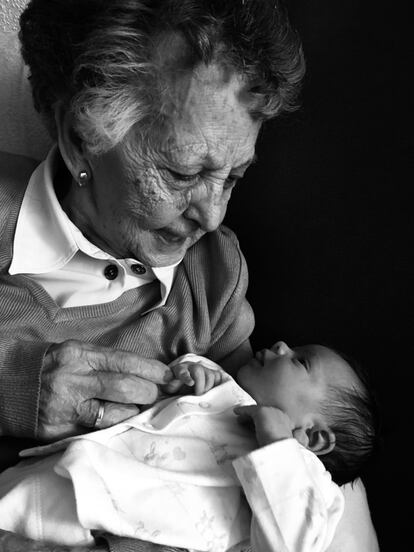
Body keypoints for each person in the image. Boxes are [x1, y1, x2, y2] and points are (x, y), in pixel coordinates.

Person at [0, 1, 379, 551]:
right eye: (183, 172)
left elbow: (265, 456)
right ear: (79, 137)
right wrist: (12, 385)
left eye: (233, 178)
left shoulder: (215, 276)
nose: (213, 215)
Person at [0, 341, 378, 552]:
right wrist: (189, 378)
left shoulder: (311, 487)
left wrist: (279, 443)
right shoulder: (227, 390)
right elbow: (158, 406)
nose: (280, 345)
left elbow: (289, 544)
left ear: (313, 437)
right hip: (71, 472)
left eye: (300, 360)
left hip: (113, 529)